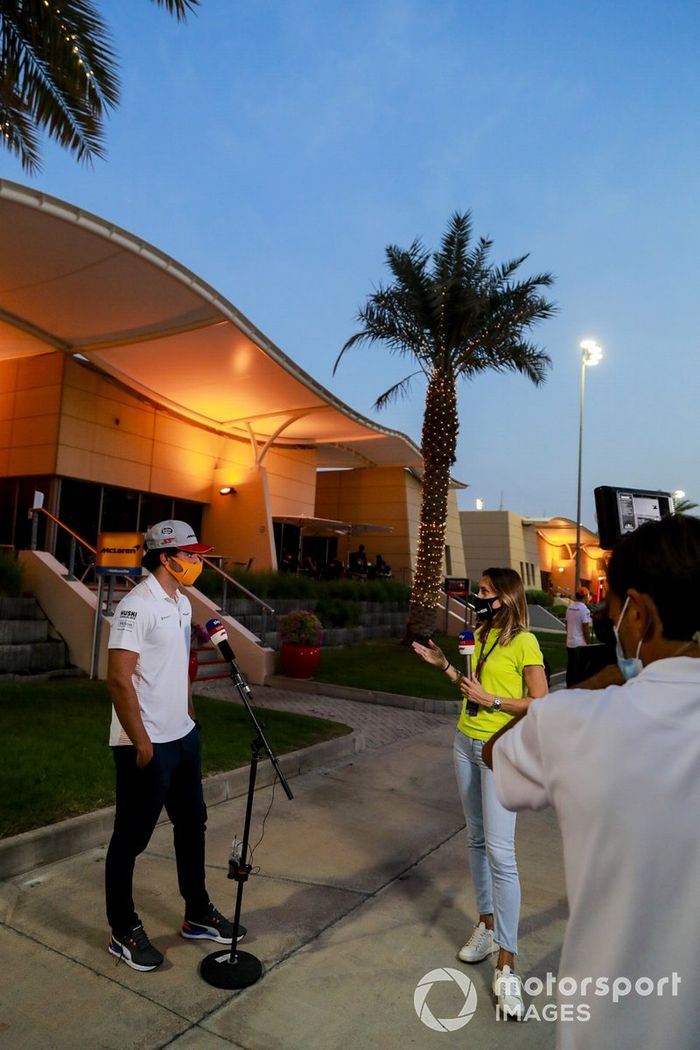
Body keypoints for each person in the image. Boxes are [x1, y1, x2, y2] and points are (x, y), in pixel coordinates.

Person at [487, 514, 700, 1048]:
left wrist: (598, 683)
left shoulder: (572, 721)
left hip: (608, 1027)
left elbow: (496, 754)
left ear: (640, 613)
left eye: (613, 609)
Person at [105, 520, 245, 971]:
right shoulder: (136, 606)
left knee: (192, 825)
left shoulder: (182, 603)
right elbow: (118, 678)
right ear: (166, 558)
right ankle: (123, 930)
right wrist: (142, 743)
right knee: (131, 838)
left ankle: (197, 913)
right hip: (145, 744)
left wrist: (189, 718)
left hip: (182, 737)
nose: (198, 562)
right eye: (191, 555)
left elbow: (178, 667)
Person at [412, 568, 547, 1019]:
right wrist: (446, 666)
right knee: (474, 839)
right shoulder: (482, 632)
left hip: (501, 749)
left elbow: (540, 701)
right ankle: (487, 924)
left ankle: (508, 961)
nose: (478, 596)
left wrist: (492, 701)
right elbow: (472, 689)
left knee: (501, 853)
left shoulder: (524, 641)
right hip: (464, 742)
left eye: (486, 591)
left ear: (506, 597)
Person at [565, 588, 592, 687]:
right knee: (579, 669)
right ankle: (577, 687)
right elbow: (586, 629)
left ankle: (569, 686)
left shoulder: (569, 608)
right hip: (580, 644)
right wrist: (588, 643)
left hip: (570, 642)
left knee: (570, 666)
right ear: (585, 597)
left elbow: (566, 625)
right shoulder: (584, 610)